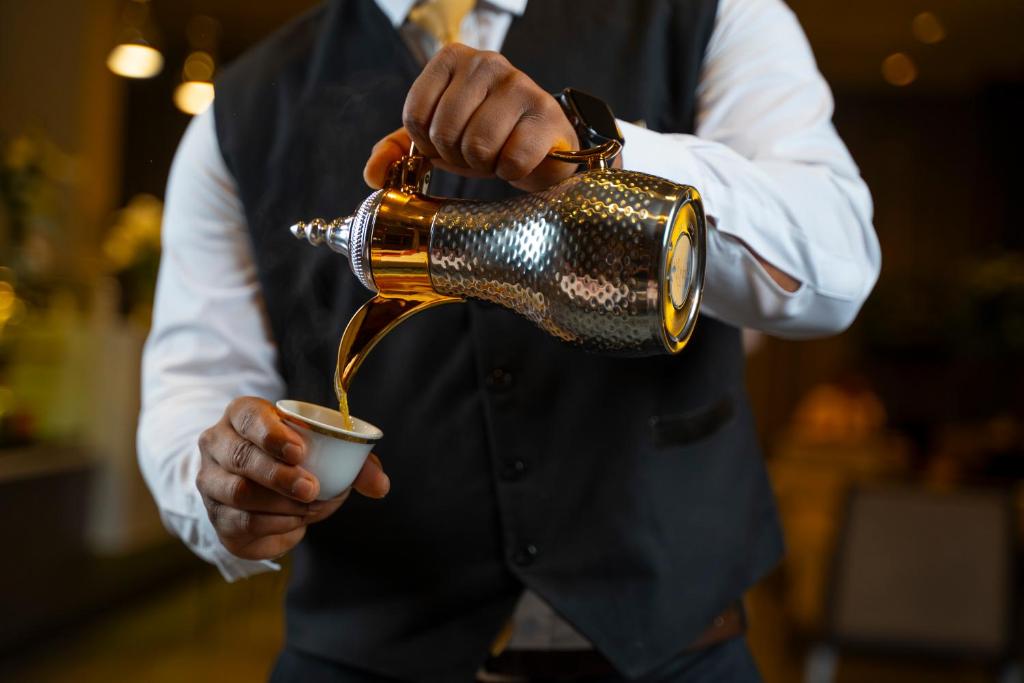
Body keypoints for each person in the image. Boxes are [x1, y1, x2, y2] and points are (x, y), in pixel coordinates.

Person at [138, 0, 880, 680]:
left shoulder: (710, 14)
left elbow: (838, 266)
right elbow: (194, 378)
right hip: (366, 654)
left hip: (675, 651)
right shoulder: (239, 110)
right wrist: (226, 481)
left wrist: (604, 159)